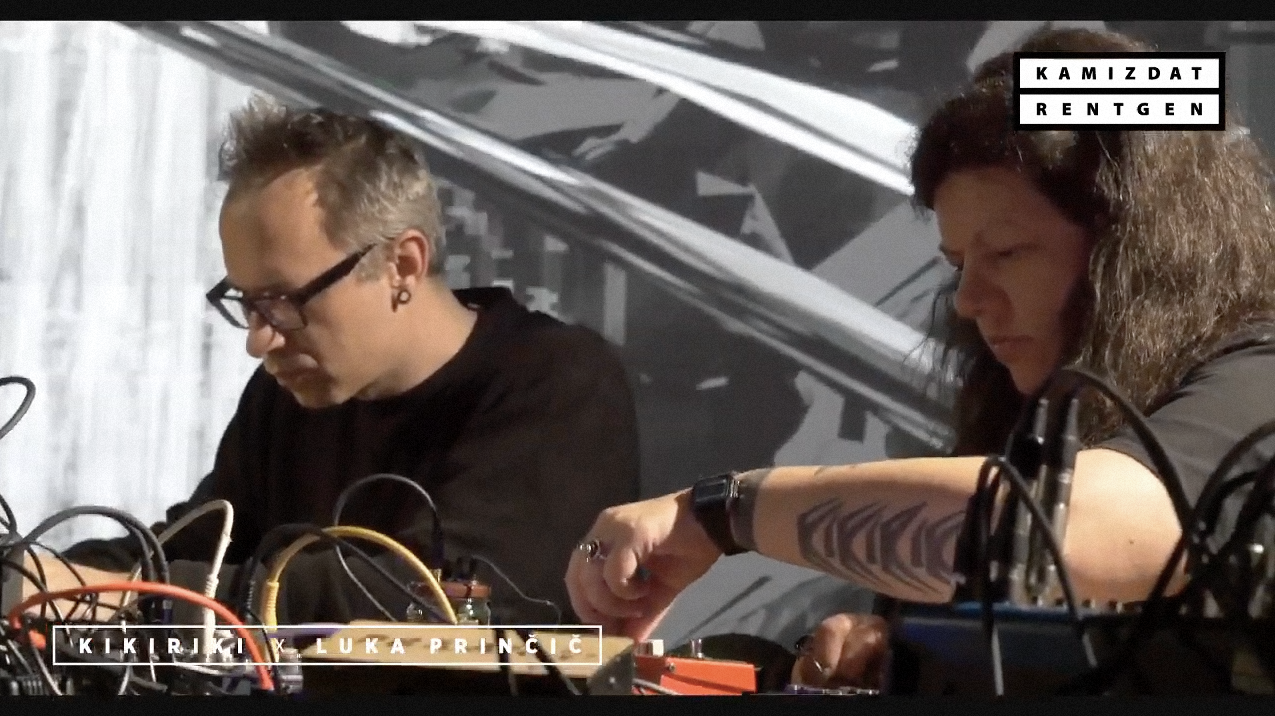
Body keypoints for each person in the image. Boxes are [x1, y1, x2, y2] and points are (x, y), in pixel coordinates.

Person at [565, 26, 1275, 689]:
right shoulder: (1041, 408)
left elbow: (1072, 529)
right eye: (958, 263)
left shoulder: (1259, 378)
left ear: (1139, 251)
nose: (967, 300)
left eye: (1006, 253)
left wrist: (720, 514)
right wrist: (908, 647)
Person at [45, 98, 642, 625]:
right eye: (247, 303)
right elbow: (198, 544)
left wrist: (125, 598)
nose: (259, 340)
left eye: (284, 302)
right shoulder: (286, 396)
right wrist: (43, 578)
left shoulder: (559, 382)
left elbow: (428, 600)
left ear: (402, 265)